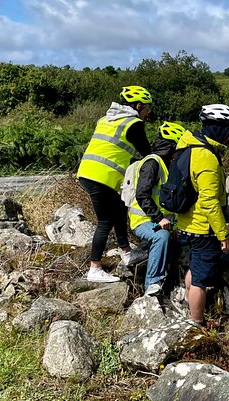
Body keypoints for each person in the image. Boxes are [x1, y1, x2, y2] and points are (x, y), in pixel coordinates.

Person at [77, 86, 153, 283]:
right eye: (147, 108)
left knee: (120, 207)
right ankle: (94, 268)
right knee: (105, 221)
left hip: (89, 172)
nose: (148, 112)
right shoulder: (133, 123)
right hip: (101, 176)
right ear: (138, 106)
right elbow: (148, 153)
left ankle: (126, 251)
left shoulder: (107, 118)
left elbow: (112, 149)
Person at [176, 104, 229, 326]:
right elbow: (209, 201)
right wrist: (223, 234)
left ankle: (187, 303)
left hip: (186, 221)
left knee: (194, 267)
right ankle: (197, 322)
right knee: (201, 280)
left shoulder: (188, 146)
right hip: (203, 227)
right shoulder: (207, 157)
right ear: (219, 128)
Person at [128, 121, 186, 296]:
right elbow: (142, 195)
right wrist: (159, 219)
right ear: (171, 146)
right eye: (178, 149)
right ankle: (152, 284)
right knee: (161, 237)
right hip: (144, 220)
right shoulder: (152, 163)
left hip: (159, 220)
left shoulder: (165, 164)